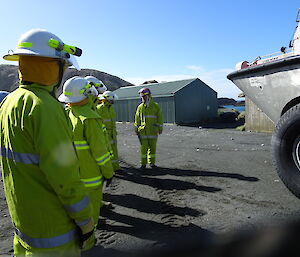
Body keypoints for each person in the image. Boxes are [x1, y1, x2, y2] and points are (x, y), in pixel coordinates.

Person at [0, 29, 94, 256]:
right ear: (52, 66)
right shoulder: (45, 108)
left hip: (24, 226)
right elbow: (65, 178)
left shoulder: (9, 101)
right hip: (53, 235)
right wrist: (86, 224)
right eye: (62, 65)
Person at [58, 76, 114, 228]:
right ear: (87, 94)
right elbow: (100, 153)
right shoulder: (89, 118)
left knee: (76, 210)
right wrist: (109, 173)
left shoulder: (65, 115)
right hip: (91, 178)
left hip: (71, 176)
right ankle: (89, 242)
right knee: (91, 212)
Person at [134, 87, 163, 169]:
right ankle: (143, 164)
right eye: (142, 97)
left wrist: (160, 128)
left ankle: (152, 163)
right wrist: (136, 129)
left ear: (149, 96)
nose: (143, 98)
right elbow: (137, 119)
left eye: (144, 96)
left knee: (152, 148)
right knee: (144, 149)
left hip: (153, 131)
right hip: (143, 131)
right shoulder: (140, 107)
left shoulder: (155, 106)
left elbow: (159, 118)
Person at [97, 91, 121, 172]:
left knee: (114, 151)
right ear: (107, 99)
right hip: (105, 134)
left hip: (112, 134)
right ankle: (108, 169)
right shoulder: (99, 108)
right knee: (107, 152)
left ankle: (116, 168)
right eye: (112, 100)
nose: (113, 101)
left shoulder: (111, 109)